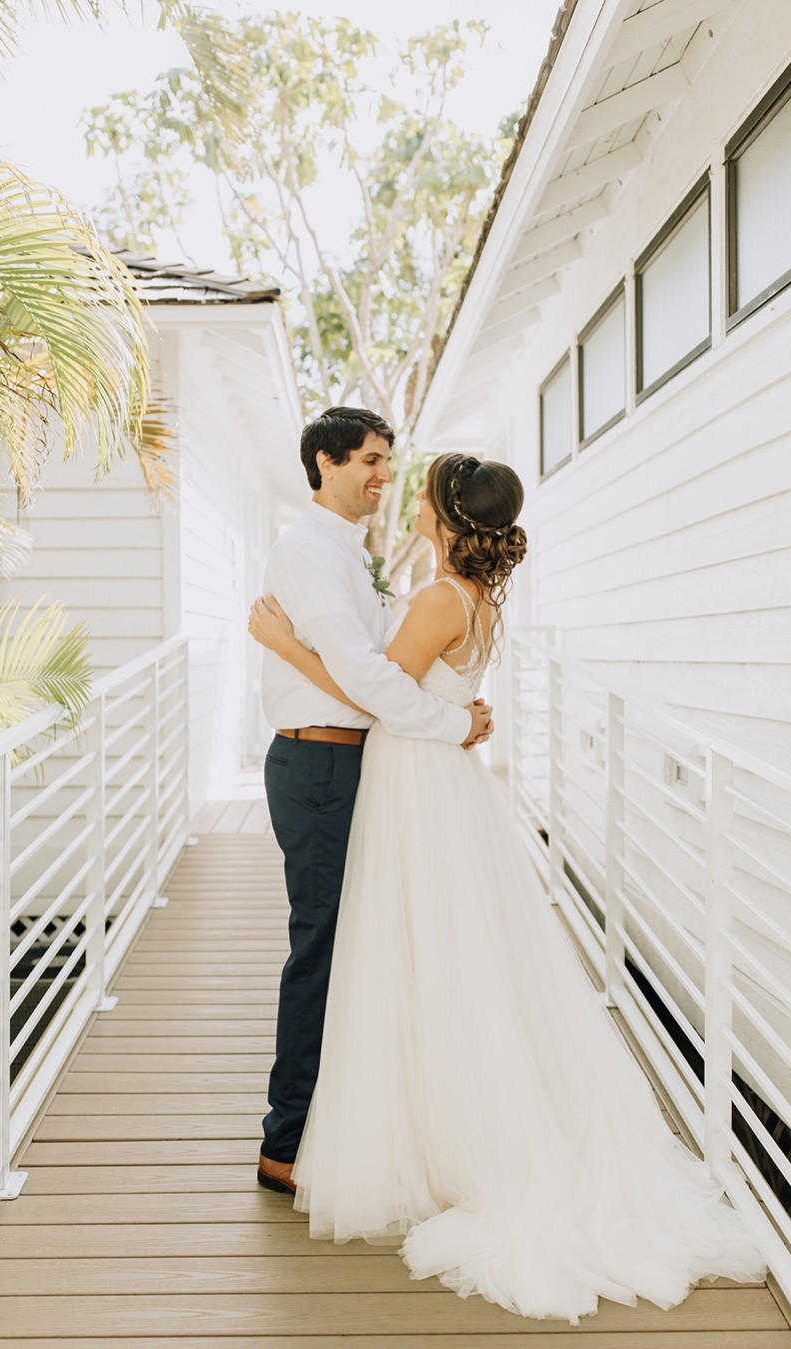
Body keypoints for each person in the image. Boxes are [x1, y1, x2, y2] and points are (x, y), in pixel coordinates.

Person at [247, 449, 765, 1324]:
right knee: (447, 949)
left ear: (448, 512)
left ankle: (438, 1133)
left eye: (421, 487)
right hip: (441, 783)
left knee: (415, 947)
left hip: (416, 781)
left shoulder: (441, 597)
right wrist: (459, 719)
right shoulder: (470, 596)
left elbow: (378, 692)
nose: (405, 492)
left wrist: (284, 643)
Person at [252, 409, 494, 1197]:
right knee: (321, 947)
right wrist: (454, 721)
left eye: (389, 462)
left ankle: (347, 1119)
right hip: (319, 760)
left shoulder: (349, 553)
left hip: (351, 759)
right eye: (370, 460)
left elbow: (381, 665)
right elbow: (366, 678)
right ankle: (284, 1142)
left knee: (362, 942)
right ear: (325, 462)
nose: (384, 475)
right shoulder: (308, 550)